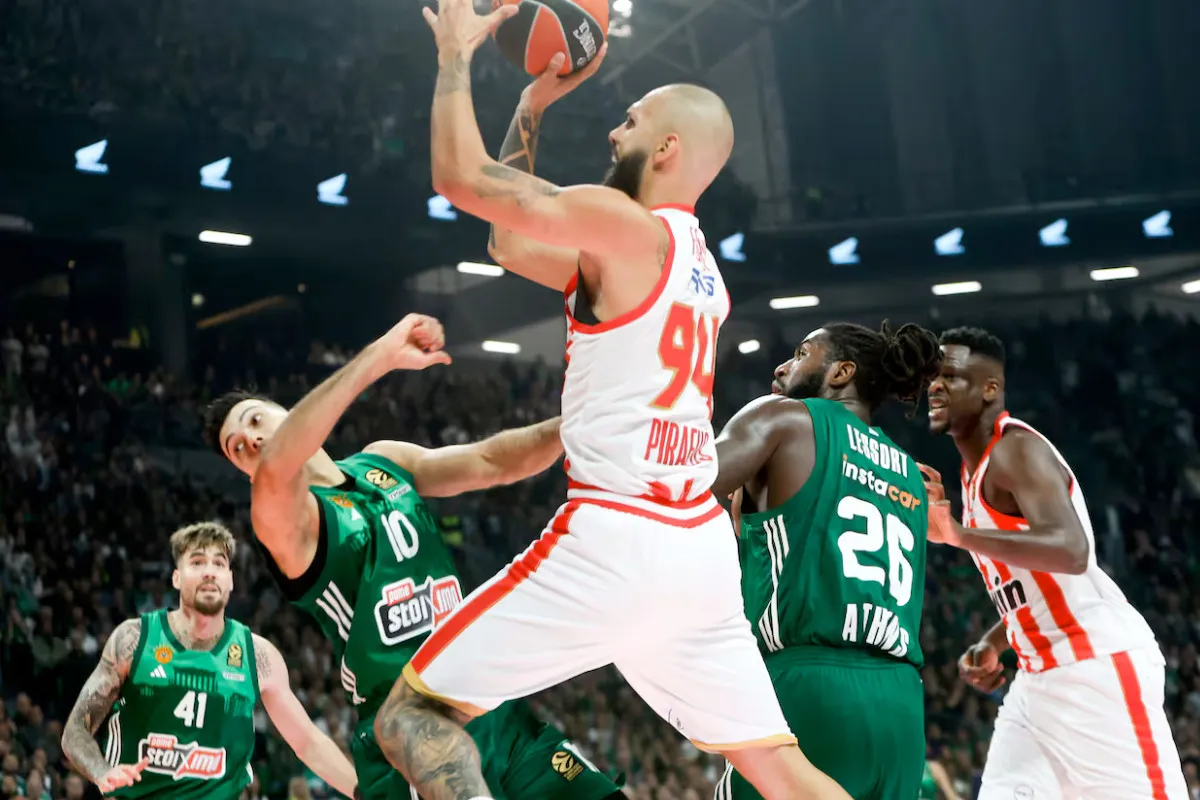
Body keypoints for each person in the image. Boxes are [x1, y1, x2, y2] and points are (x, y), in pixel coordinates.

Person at [375, 3, 852, 800]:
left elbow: (460, 182)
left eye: (629, 122)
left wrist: (455, 58)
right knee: (781, 768)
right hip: (697, 553)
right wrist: (530, 106)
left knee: (412, 717)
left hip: (616, 538)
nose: (611, 133)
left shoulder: (626, 225)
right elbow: (507, 242)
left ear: (666, 148)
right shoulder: (701, 268)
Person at [203, 313, 624, 800]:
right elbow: (279, 463)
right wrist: (381, 356)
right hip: (407, 731)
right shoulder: (284, 523)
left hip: (485, 697)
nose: (252, 440)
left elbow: (491, 460)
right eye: (238, 449)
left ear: (286, 411)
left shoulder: (382, 460)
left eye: (256, 420)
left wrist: (576, 425)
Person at [923, 325, 1188, 799]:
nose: (935, 386)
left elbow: (1071, 551)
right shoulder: (972, 471)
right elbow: (1032, 584)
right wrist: (993, 640)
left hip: (1093, 665)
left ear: (990, 390)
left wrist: (957, 535)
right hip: (1036, 677)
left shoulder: (1015, 450)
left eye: (950, 376)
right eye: (932, 377)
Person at [708, 322, 941, 800]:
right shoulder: (909, 473)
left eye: (801, 353)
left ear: (841, 372)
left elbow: (681, 491)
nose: (782, 366)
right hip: (901, 704)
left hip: (810, 688)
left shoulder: (784, 419)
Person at [60, 522, 359, 799]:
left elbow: (308, 742)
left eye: (219, 564)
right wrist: (102, 773)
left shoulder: (258, 656)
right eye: (197, 562)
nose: (210, 571)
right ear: (176, 578)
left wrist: (366, 795)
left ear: (230, 580)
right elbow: (76, 729)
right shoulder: (134, 640)